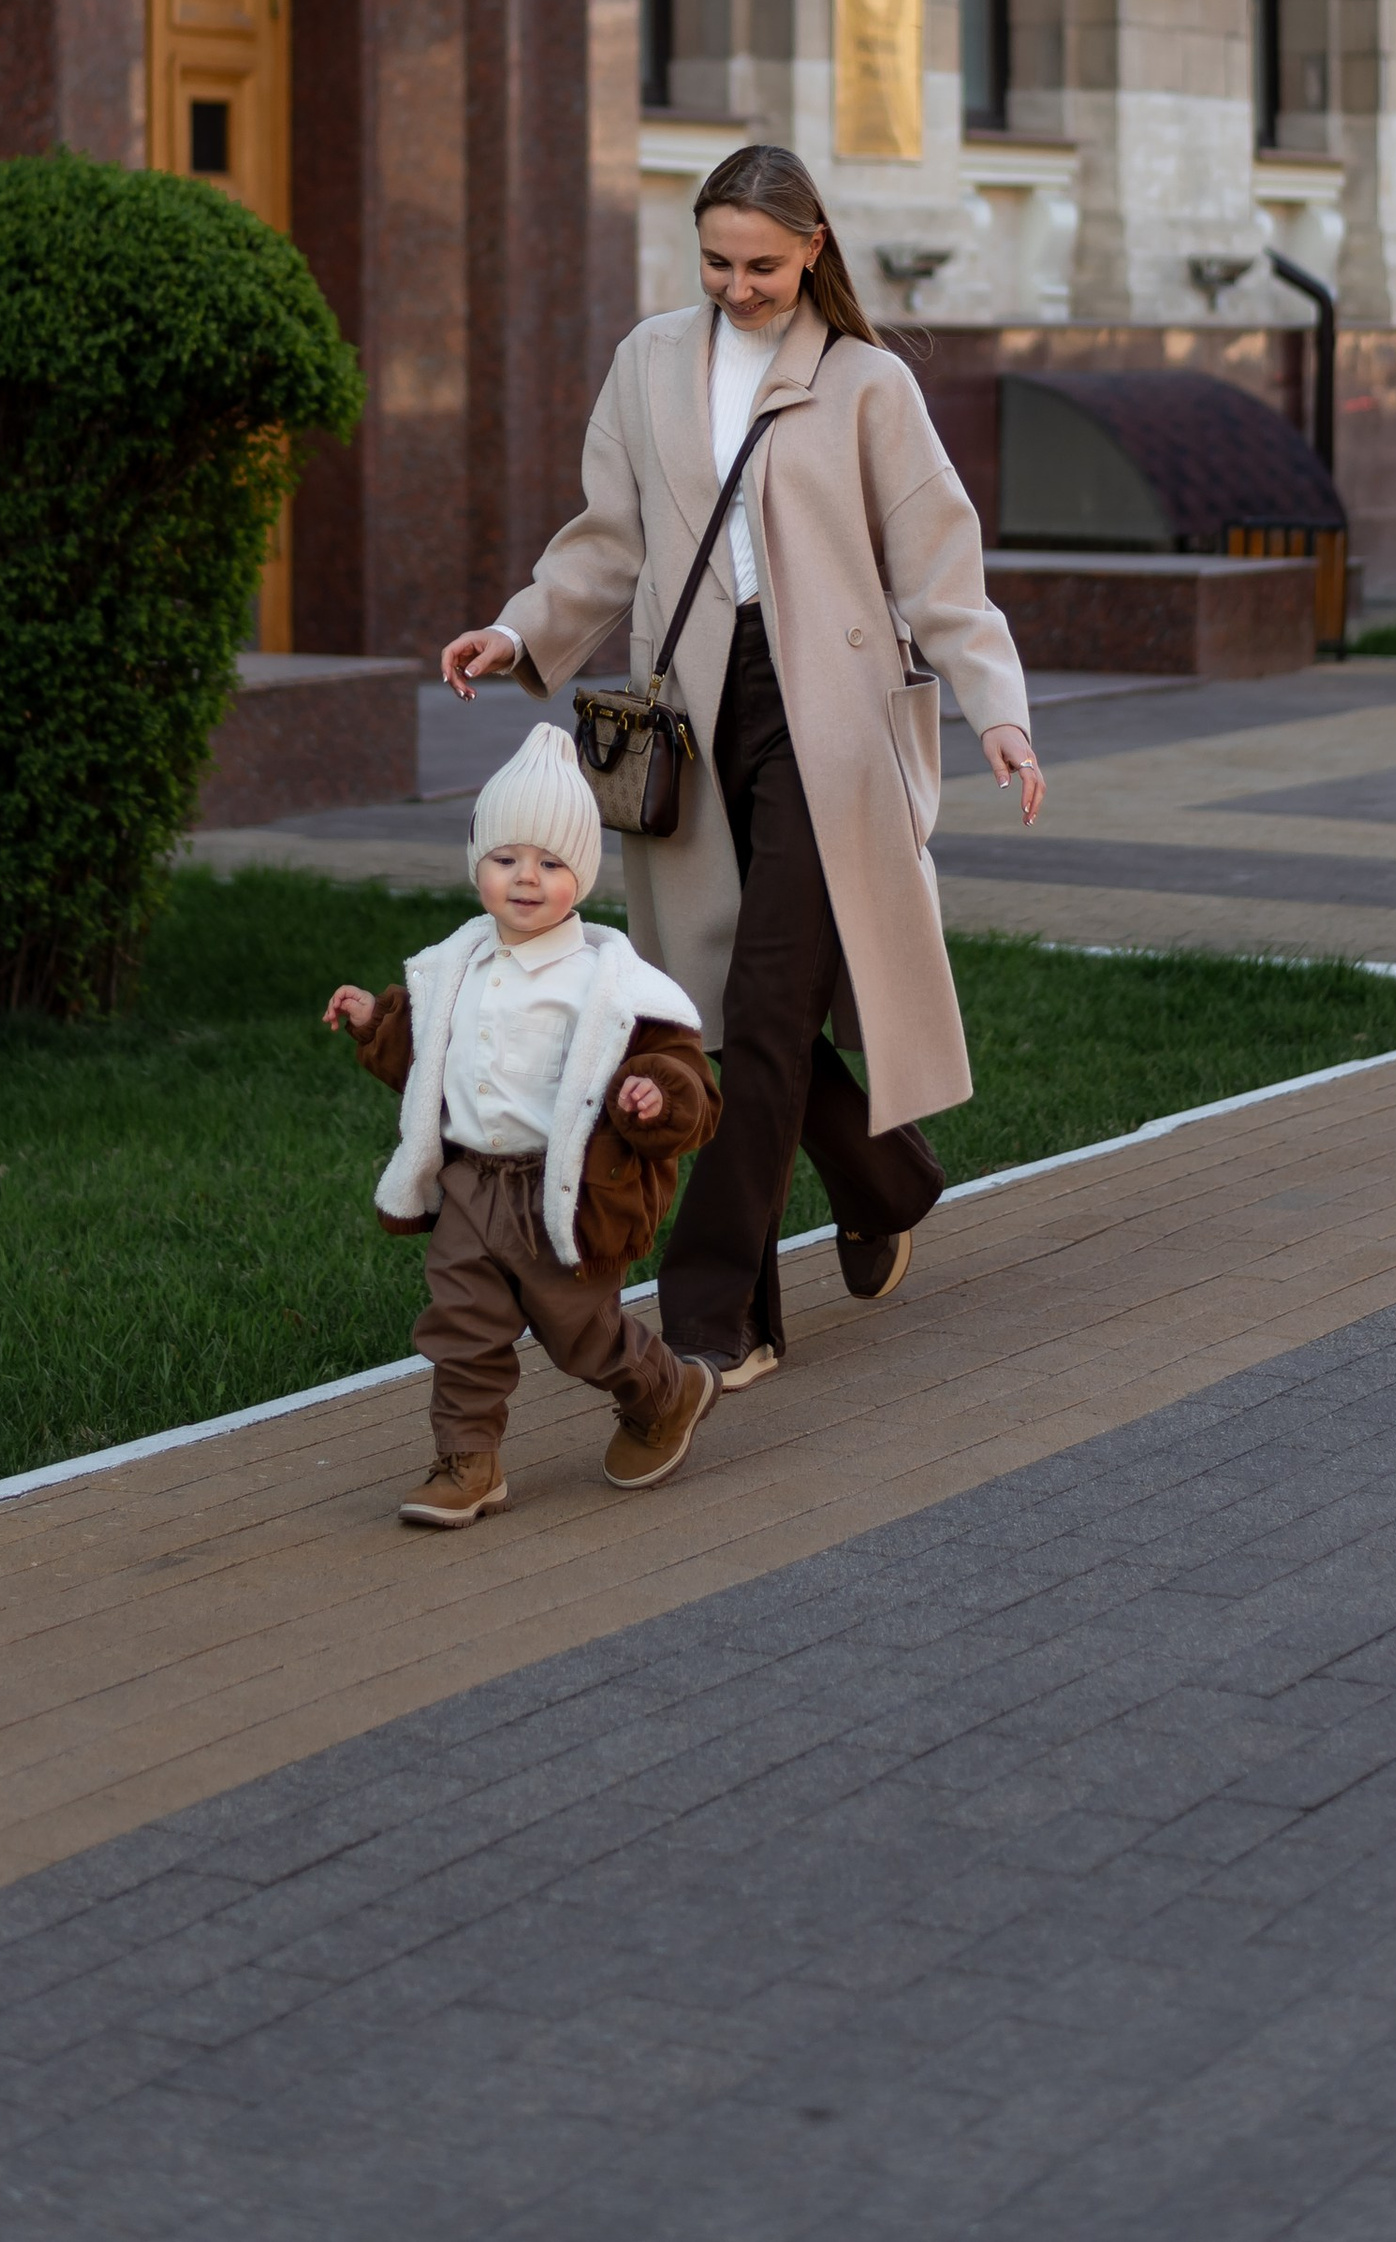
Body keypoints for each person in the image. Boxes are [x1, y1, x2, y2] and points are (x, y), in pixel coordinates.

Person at [438, 141, 1043, 1389]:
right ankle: (888, 1178)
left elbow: (940, 564)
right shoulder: (650, 363)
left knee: (767, 1012)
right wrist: (517, 629)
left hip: (834, 730)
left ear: (814, 249)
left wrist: (999, 711)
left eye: (762, 263)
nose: (738, 285)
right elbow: (608, 544)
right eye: (716, 261)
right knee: (718, 1010)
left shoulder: (866, 382)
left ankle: (720, 1313)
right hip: (693, 721)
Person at [325, 719, 722, 1528]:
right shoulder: (457, 964)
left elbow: (686, 1077)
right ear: (480, 865)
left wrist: (653, 1095)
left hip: (566, 1194)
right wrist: (377, 1024)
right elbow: (428, 1056)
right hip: (472, 1184)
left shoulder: (609, 984)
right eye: (506, 860)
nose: (526, 879)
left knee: (581, 1335)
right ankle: (468, 1463)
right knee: (462, 1324)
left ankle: (664, 1392)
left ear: (584, 872)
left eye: (551, 862)